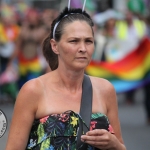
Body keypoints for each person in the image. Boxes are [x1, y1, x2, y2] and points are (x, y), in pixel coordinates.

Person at [5, 2, 126, 150]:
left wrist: (114, 145)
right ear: (55, 46)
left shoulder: (105, 89)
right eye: (74, 41)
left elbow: (120, 146)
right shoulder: (33, 90)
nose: (83, 48)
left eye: (88, 41)